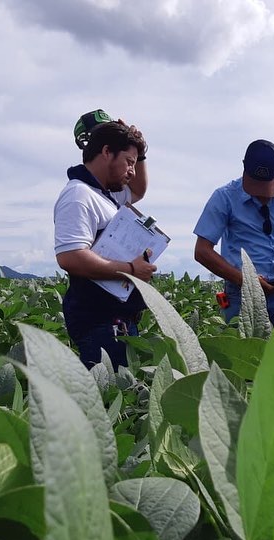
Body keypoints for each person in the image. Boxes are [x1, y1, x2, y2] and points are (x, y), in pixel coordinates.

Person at [54, 120, 156, 369]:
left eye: (135, 164)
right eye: (128, 162)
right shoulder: (78, 196)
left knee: (122, 391)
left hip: (117, 318)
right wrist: (131, 269)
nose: (132, 171)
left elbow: (139, 190)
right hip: (98, 321)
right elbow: (70, 257)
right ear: (106, 152)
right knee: (104, 399)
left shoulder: (105, 194)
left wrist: (140, 153)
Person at [193, 139, 274, 324]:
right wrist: (245, 280)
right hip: (240, 295)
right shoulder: (224, 197)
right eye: (254, 186)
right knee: (242, 351)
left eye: (265, 186)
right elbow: (202, 251)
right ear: (244, 169)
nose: (259, 194)